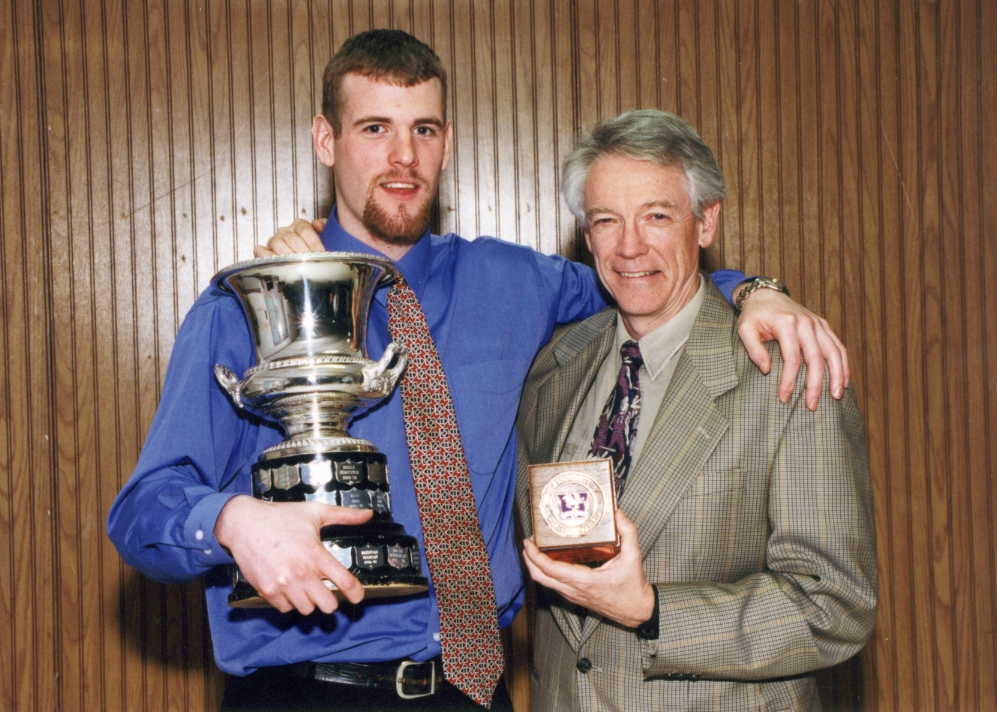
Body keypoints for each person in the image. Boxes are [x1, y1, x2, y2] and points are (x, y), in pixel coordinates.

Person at [107, 30, 850, 710]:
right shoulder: (254, 301)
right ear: (326, 140)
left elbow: (642, 272)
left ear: (447, 141)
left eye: (422, 130)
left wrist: (754, 292)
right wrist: (235, 524)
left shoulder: (515, 282)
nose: (403, 158)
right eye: (375, 129)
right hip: (306, 688)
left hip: (473, 690)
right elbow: (142, 511)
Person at [516, 109, 877, 711]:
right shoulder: (557, 366)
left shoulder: (785, 369)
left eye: (658, 216)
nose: (630, 246)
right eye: (607, 220)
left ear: (706, 222)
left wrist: (653, 609)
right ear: (586, 233)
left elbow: (834, 603)